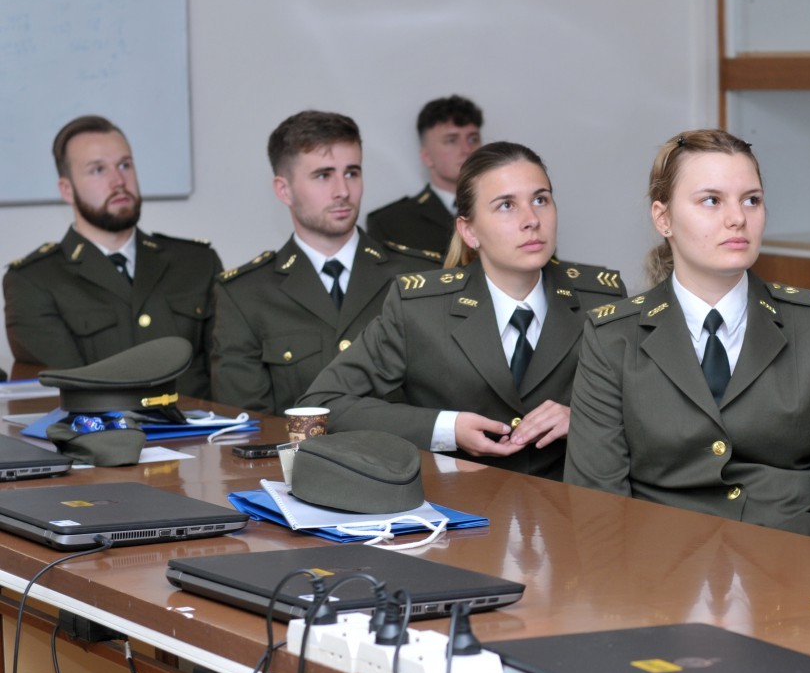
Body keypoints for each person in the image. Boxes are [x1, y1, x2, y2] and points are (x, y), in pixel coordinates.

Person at [565, 130, 810, 543]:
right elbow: (597, 504)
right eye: (712, 200)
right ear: (663, 218)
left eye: (751, 200)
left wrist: (778, 563)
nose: (737, 218)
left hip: (792, 557)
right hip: (659, 566)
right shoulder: (613, 337)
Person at [300, 141, 625, 480]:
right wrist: (446, 428)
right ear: (469, 231)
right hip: (458, 503)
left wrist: (585, 418)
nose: (531, 220)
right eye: (506, 205)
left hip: (575, 502)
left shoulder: (602, 300)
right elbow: (324, 404)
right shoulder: (420, 309)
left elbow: (654, 412)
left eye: (540, 200)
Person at [210, 111, 442, 415]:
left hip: (405, 446)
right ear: (284, 190)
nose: (343, 191)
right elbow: (248, 425)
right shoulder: (245, 295)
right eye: (323, 175)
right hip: (296, 448)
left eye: (352, 173)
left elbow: (445, 400)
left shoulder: (419, 276)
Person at [4, 115, 221, 397]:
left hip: (202, 424)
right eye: (98, 170)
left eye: (125, 165)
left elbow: (225, 376)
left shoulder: (197, 262)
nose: (118, 181)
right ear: (67, 189)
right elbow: (67, 394)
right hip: (99, 426)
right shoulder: (33, 281)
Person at [364, 94, 483, 254]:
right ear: (427, 157)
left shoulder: (507, 207)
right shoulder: (391, 222)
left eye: (473, 139)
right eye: (451, 140)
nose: (467, 149)